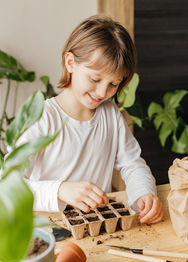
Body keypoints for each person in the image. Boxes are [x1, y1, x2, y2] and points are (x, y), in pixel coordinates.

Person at [18, 14, 164, 224]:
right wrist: (60, 190)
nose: (102, 92)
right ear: (70, 62)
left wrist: (144, 195)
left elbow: (132, 163)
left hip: (96, 227)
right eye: (95, 79)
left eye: (114, 84)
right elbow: (9, 186)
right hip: (49, 229)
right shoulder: (41, 117)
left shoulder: (110, 114)